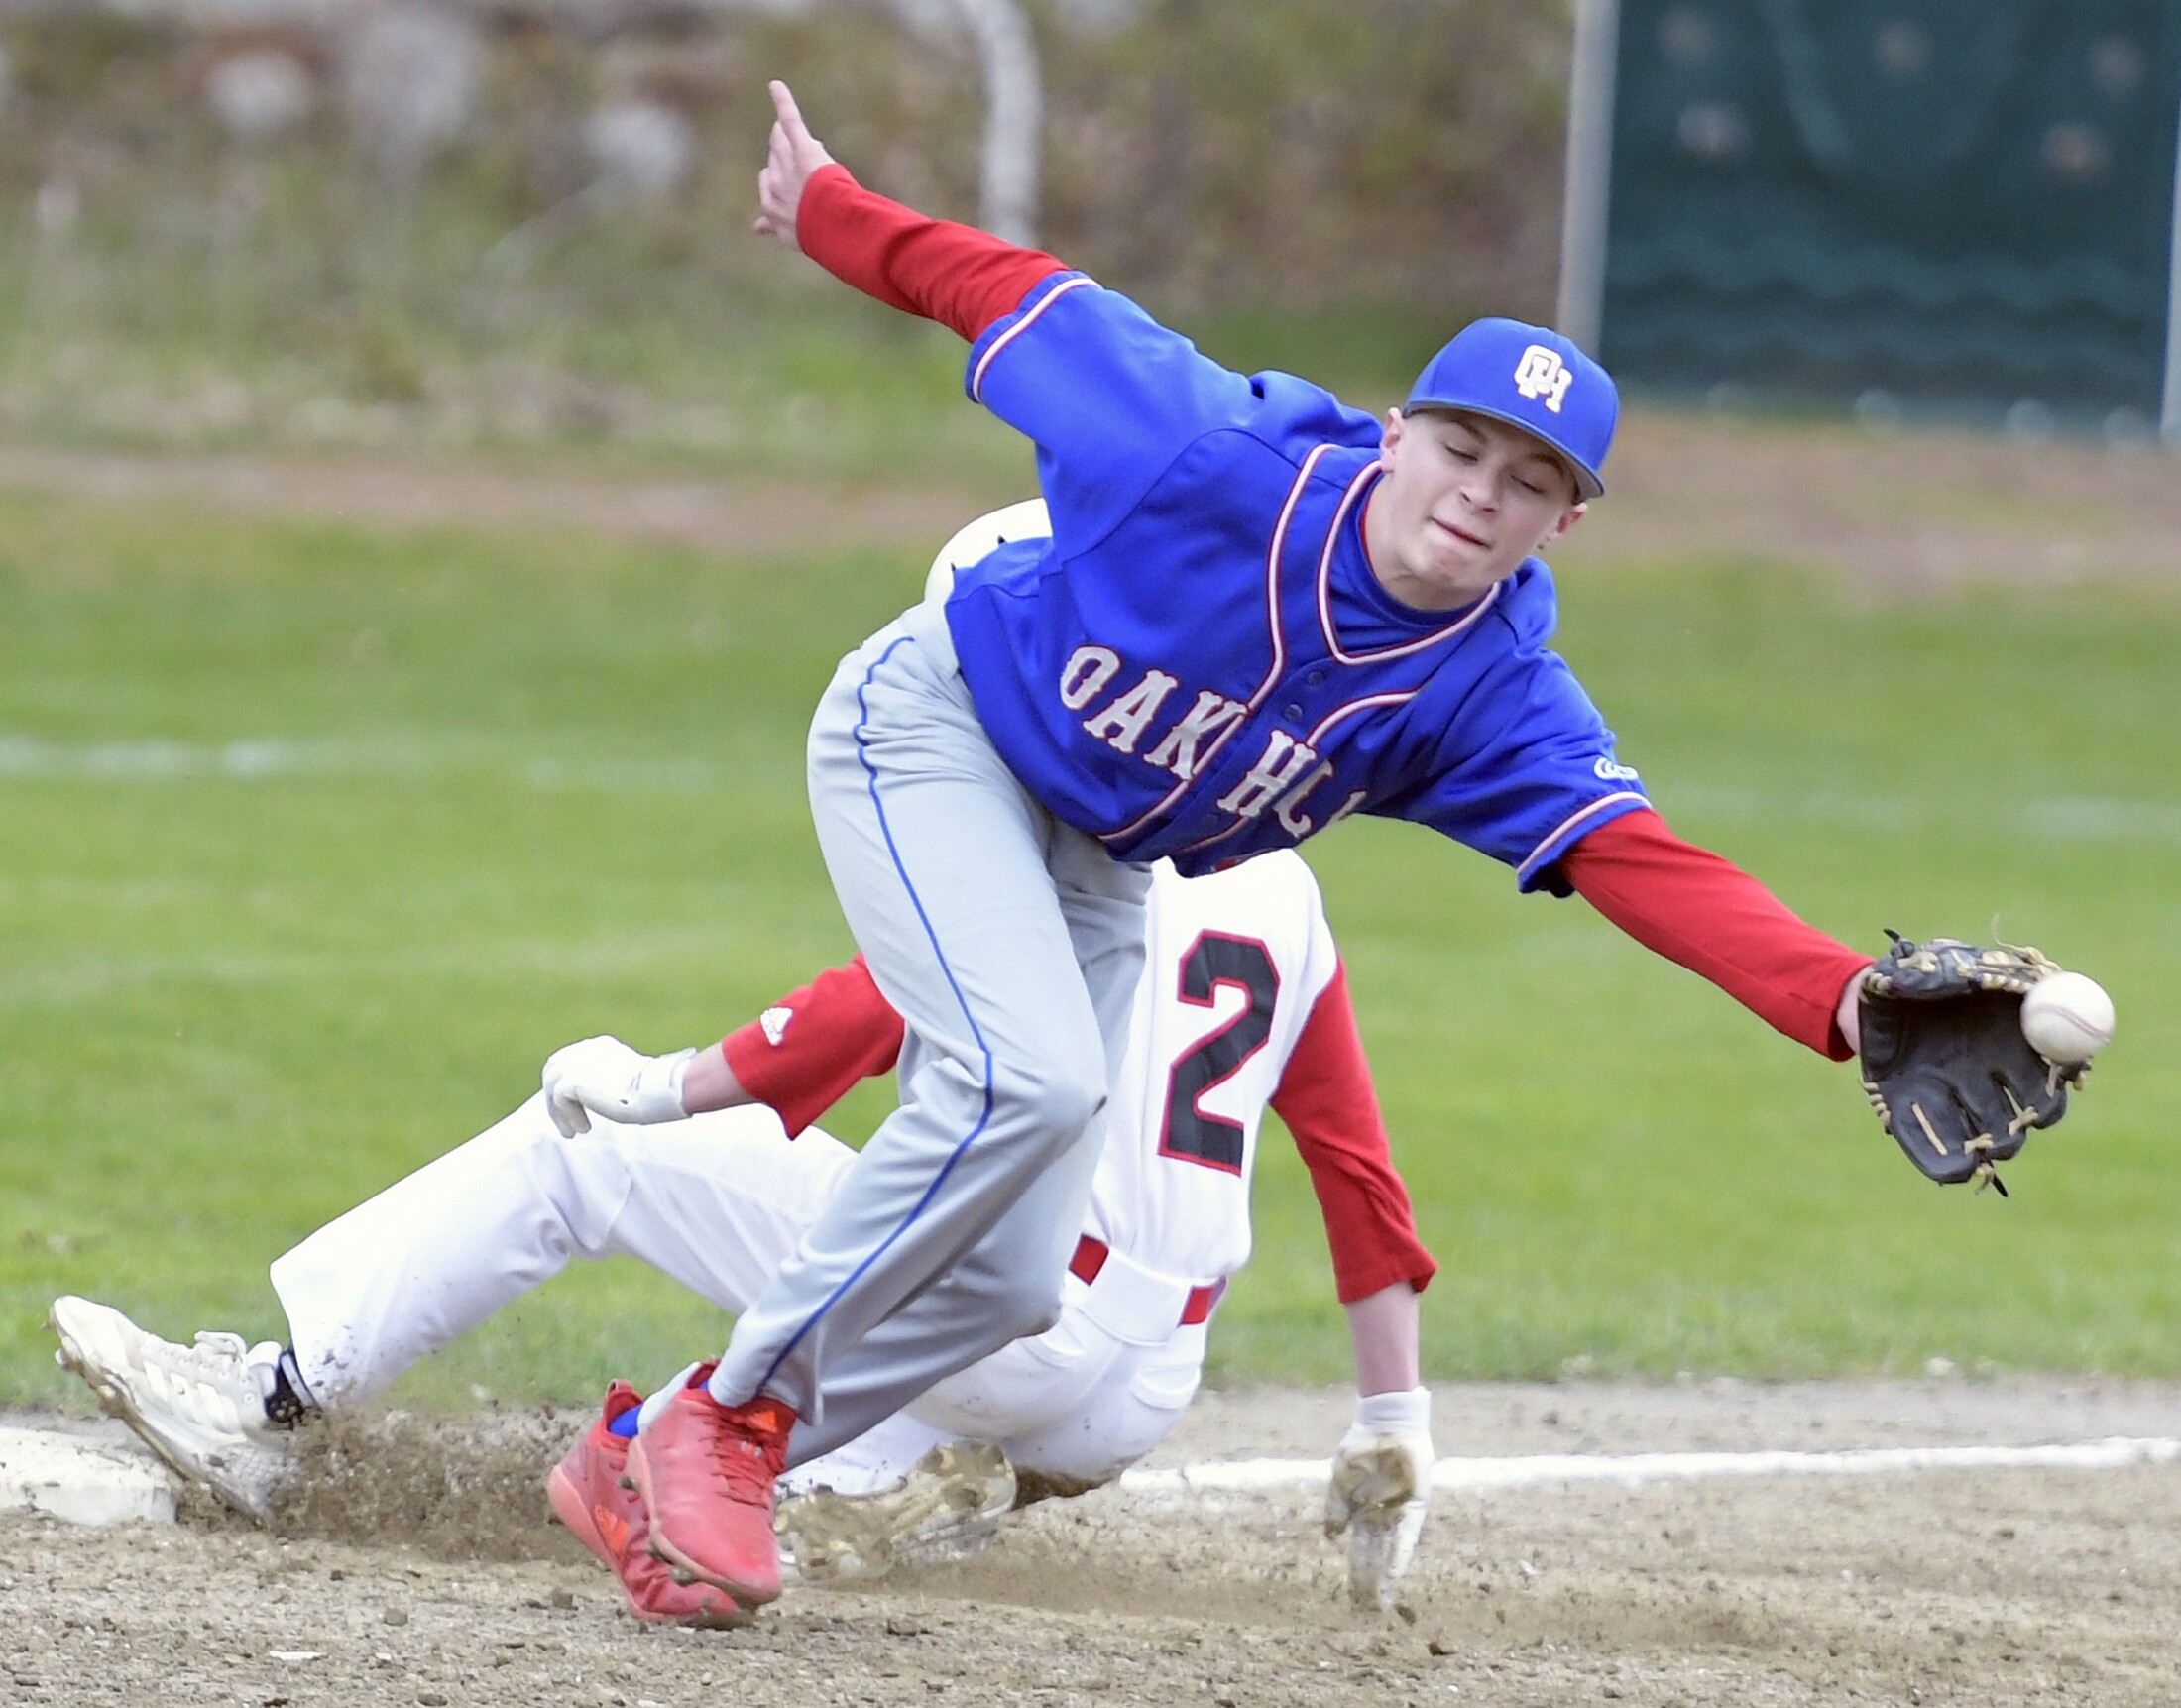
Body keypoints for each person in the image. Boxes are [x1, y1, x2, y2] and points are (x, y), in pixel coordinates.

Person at [601, 79, 1878, 1618]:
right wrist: (826, 214)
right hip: (934, 726)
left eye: (1531, 479)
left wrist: (1847, 1003)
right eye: (1464, 447)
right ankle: (725, 1424)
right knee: (1034, 1078)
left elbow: (1643, 864)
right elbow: (1012, 295)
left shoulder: (1491, 691)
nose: (1482, 494)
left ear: (1566, 524)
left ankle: (642, 1453)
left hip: (1095, 852)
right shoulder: (1209, 455)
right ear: (1397, 432)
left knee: (1011, 1282)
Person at [52, 622, 1437, 1624]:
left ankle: (271, 1403)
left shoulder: (1101, 826)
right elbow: (1356, 1174)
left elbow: (874, 1011)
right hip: (1139, 1392)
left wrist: (665, 1084)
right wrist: (1392, 1417)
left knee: (585, 1156)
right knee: (914, 1306)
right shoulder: (1295, 898)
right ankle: (907, 1488)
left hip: (1005, 1317)